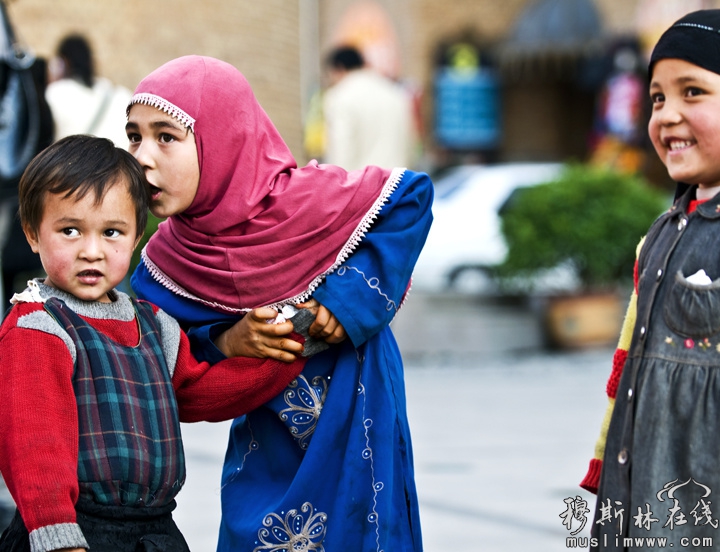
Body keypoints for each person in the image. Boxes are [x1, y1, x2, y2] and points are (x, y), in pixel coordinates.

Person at [127, 55, 433, 551]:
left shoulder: (311, 202)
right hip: (265, 442)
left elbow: (409, 199)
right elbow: (168, 368)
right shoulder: (166, 262)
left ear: (223, 138)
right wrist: (227, 339)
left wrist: (345, 302)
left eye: (166, 136)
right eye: (134, 136)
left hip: (358, 417)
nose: (142, 155)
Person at [0, 135, 310, 552]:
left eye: (112, 232)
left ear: (136, 238)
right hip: (75, 532)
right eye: (70, 230)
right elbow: (33, 447)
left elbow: (197, 393)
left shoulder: (152, 324)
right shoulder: (38, 327)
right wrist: (58, 538)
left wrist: (290, 347)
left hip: (155, 530)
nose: (91, 251)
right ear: (33, 234)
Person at [580, 9, 720, 550]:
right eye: (658, 98)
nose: (667, 115)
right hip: (636, 498)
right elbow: (625, 371)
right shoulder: (659, 234)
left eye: (693, 92)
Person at [322, 45, 415, 171]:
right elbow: (410, 144)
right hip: (398, 183)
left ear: (339, 68)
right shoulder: (395, 94)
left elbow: (341, 149)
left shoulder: (340, 96)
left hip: (362, 185)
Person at [45, 35, 131, 149]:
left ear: (64, 62)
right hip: (120, 164)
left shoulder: (55, 93)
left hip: (75, 165)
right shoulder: (122, 95)